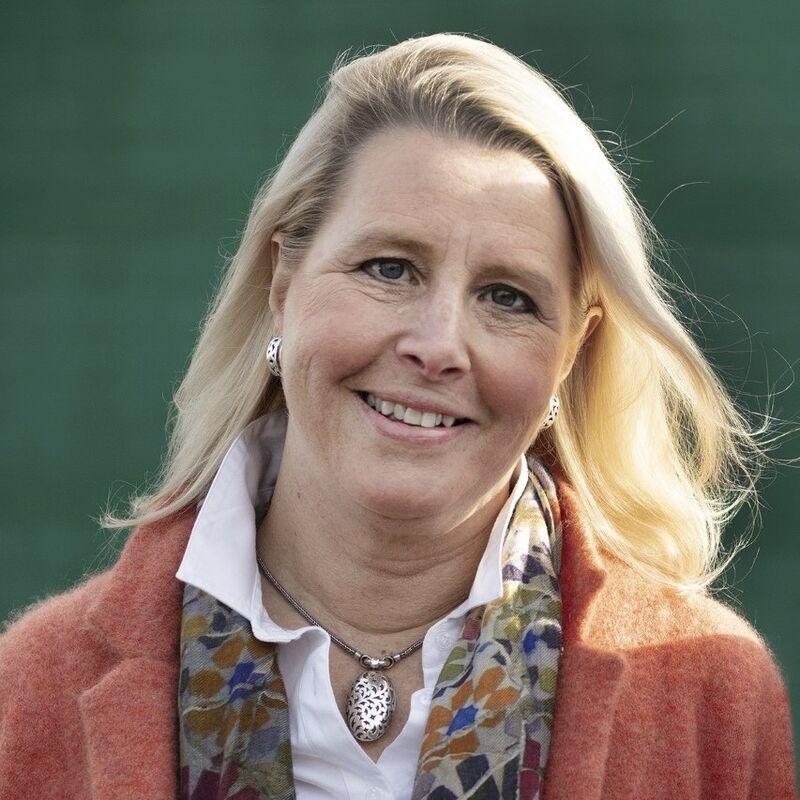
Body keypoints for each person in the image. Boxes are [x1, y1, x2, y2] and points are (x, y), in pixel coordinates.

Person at [0, 32, 796, 800]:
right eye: (390, 268)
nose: (439, 346)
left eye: (507, 298)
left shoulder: (713, 694)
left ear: (570, 355)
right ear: (284, 283)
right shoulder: (30, 690)